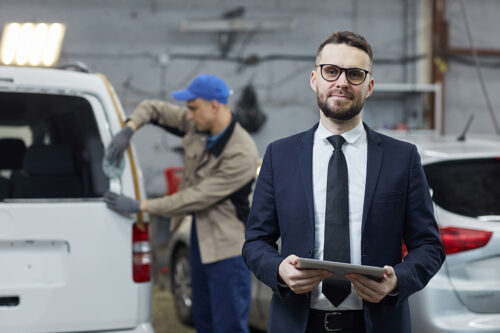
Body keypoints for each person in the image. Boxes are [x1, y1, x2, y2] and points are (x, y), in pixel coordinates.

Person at [242, 31, 445, 333]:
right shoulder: (279, 156)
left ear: (369, 86)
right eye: (331, 71)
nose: (341, 82)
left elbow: (429, 246)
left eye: (354, 74)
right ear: (314, 79)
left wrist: (397, 281)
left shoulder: (401, 158)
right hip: (298, 323)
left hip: (376, 323)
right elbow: (255, 242)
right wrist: (279, 270)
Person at [104, 74, 259, 333]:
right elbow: (153, 109)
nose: (187, 115)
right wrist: (129, 128)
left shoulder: (241, 152)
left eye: (193, 108)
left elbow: (194, 198)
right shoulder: (198, 124)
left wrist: (141, 206)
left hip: (228, 247)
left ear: (214, 106)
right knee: (203, 320)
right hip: (200, 237)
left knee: (229, 325)